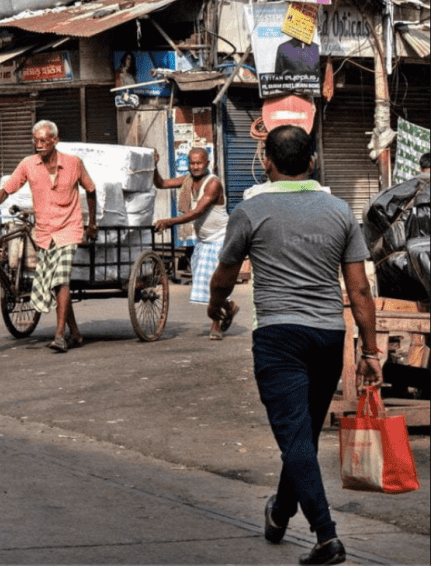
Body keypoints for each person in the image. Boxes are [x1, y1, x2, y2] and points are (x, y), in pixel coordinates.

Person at [208, 125, 380, 566]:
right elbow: (360, 290)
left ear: (266, 161)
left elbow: (224, 275)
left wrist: (216, 305)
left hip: (278, 337)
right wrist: (370, 351)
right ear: (313, 161)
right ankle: (281, 511)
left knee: (295, 437)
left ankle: (326, 537)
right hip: (328, 336)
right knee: (301, 435)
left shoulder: (250, 211)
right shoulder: (340, 211)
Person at [0, 120, 97, 352]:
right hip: (45, 232)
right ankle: (75, 333)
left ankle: (60, 335)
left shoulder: (73, 163)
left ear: (55, 140)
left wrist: (93, 224)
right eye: (36, 140)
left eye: (44, 140)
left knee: (61, 278)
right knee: (53, 283)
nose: (39, 145)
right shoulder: (28, 164)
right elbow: (5, 191)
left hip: (69, 228)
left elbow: (91, 190)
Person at [152, 147, 233, 339]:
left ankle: (216, 326)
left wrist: (169, 221)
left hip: (220, 239)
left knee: (214, 285)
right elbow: (161, 184)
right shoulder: (187, 180)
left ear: (207, 163)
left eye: (199, 163)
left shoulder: (213, 183)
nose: (195, 167)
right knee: (207, 285)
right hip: (203, 241)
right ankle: (229, 307)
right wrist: (154, 165)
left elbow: (197, 212)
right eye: (192, 163)